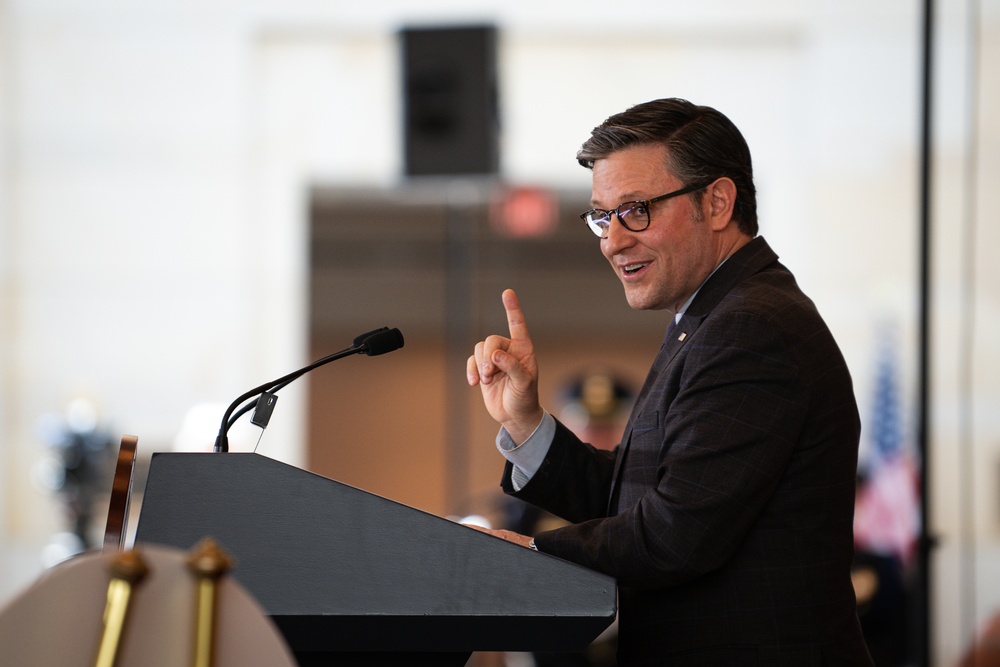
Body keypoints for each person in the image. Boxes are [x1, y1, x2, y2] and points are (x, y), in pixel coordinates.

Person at [467, 98, 874, 666]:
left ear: (717, 202)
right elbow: (641, 499)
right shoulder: (711, 318)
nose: (612, 241)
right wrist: (526, 422)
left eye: (635, 210)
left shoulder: (750, 326)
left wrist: (527, 551)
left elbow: (673, 533)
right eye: (602, 216)